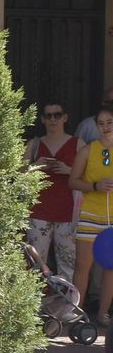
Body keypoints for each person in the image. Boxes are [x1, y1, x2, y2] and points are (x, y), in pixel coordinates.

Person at [67, 104, 113, 329]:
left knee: (110, 267)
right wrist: (95, 185)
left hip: (112, 218)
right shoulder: (88, 150)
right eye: (101, 124)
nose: (105, 128)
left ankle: (103, 313)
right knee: (82, 264)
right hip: (90, 214)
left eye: (109, 123)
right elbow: (72, 181)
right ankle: (77, 312)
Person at [26, 100, 78, 280]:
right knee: (36, 262)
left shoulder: (78, 144)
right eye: (48, 116)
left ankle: (67, 305)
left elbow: (90, 175)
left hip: (67, 211)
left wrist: (69, 170)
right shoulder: (34, 144)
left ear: (65, 117)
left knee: (68, 263)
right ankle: (34, 305)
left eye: (57, 115)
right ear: (42, 119)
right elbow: (17, 175)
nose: (52, 120)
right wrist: (34, 166)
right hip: (39, 210)